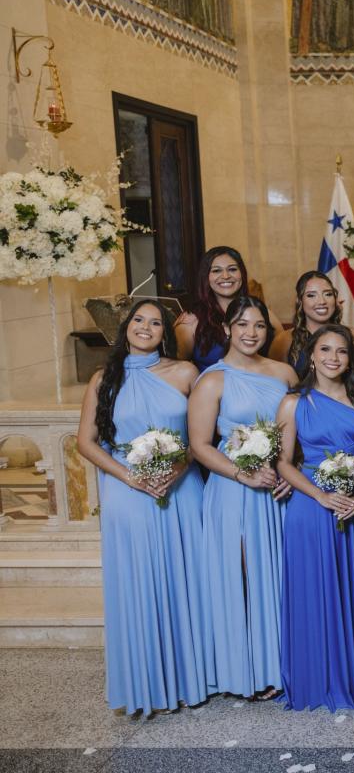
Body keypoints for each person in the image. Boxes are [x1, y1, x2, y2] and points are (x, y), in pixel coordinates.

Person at [78, 300, 207, 715]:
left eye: (155, 322)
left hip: (182, 489)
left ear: (166, 332)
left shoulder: (186, 372)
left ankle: (189, 679)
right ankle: (146, 681)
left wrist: (180, 466)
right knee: (139, 583)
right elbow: (86, 442)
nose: (146, 327)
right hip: (127, 489)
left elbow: (204, 435)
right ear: (126, 327)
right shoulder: (104, 378)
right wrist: (128, 477)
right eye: (138, 320)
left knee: (184, 581)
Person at [189, 296, 297, 699]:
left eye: (259, 325)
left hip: (278, 488)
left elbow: (300, 430)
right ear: (227, 329)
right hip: (233, 489)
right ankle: (244, 672)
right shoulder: (212, 381)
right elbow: (200, 445)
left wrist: (291, 473)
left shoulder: (284, 373)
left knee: (278, 576)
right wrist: (243, 474)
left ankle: (280, 667)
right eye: (243, 324)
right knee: (241, 576)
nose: (251, 333)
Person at [276, 325, 354, 712]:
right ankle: (318, 678)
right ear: (311, 355)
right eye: (325, 350)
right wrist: (320, 495)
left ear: (351, 359)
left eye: (341, 351)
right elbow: (283, 464)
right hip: (311, 507)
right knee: (317, 591)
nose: (333, 358)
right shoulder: (293, 403)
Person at [175, 246, 281, 372]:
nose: (225, 276)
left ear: (242, 273)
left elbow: (279, 363)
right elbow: (175, 370)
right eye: (216, 271)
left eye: (232, 269)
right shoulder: (190, 320)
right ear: (206, 276)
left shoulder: (264, 314)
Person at [270, 271, 354, 378]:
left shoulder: (353, 336)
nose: (322, 301)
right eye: (311, 295)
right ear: (300, 301)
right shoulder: (284, 340)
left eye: (328, 294)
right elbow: (277, 383)